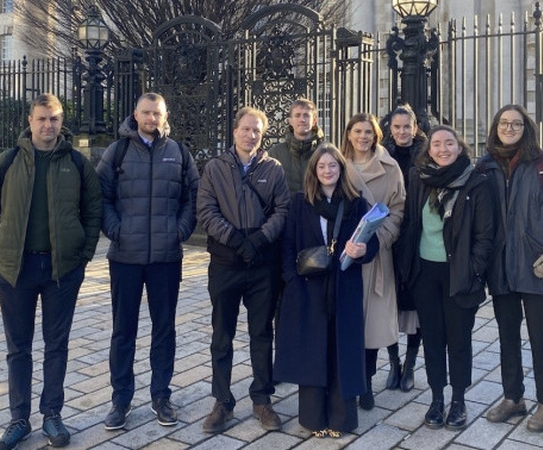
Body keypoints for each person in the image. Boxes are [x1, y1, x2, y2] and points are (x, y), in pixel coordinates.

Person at [0, 93, 103, 449]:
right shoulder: (8, 162)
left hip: (61, 270)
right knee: (18, 348)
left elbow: (94, 211)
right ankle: (18, 419)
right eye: (42, 119)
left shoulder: (77, 163)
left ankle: (52, 415)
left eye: (55, 119)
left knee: (56, 345)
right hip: (15, 269)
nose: (48, 125)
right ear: (30, 121)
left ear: (62, 123)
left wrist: (84, 255)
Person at [96, 93, 200, 430]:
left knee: (164, 329)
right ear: (135, 114)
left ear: (165, 115)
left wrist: (180, 230)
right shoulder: (118, 151)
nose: (152, 119)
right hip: (125, 256)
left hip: (165, 258)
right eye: (146, 113)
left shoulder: (179, 153)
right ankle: (121, 399)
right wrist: (116, 229)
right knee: (123, 332)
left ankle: (161, 395)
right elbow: (101, 197)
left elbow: (193, 196)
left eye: (157, 113)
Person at [476, 105, 543, 432]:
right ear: (495, 127)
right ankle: (512, 397)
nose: (509, 127)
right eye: (504, 123)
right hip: (501, 267)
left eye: (516, 123)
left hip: (536, 267)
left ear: (526, 127)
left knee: (540, 337)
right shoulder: (486, 164)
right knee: (506, 335)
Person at [196, 106, 291, 433]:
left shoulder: (273, 168)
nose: (251, 135)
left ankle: (262, 399)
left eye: (257, 131)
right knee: (222, 334)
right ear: (235, 131)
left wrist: (261, 238)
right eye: (246, 129)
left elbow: (282, 209)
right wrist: (235, 239)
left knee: (262, 334)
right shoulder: (215, 168)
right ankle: (222, 400)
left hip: (262, 265)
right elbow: (205, 210)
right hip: (226, 263)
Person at [274, 143, 379, 438]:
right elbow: (287, 245)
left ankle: (341, 419)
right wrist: (292, 280)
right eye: (322, 166)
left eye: (333, 165)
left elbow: (373, 243)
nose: (327, 170)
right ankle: (312, 418)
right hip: (309, 288)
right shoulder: (300, 202)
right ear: (314, 171)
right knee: (313, 352)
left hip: (344, 288)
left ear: (341, 169)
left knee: (341, 352)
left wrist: (362, 250)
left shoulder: (356, 204)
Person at [399, 125, 495, 430]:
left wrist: (473, 270)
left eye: (449, 144)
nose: (442, 149)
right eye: (436, 144)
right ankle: (437, 398)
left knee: (458, 339)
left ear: (459, 147)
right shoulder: (420, 179)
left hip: (459, 274)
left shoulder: (476, 182)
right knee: (433, 338)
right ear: (429, 150)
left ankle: (458, 400)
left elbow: (485, 236)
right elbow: (411, 222)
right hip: (425, 273)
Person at [341, 113, 406, 410]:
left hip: (377, 255)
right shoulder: (338, 164)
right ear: (349, 133)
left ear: (376, 135)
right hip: (345, 254)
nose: (363, 137)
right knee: (348, 322)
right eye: (357, 131)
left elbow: (398, 209)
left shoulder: (390, 168)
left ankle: (366, 383)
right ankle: (347, 381)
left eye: (368, 132)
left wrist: (381, 239)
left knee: (372, 326)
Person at [381, 104, 426, 391]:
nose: (401, 132)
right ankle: (393, 362)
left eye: (406, 127)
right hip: (389, 235)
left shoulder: (425, 153)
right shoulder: (382, 153)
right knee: (388, 303)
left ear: (414, 127)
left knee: (414, 304)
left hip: (417, 235)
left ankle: (410, 363)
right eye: (396, 127)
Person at [269, 97, 326, 193]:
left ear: (314, 121)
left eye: (306, 115)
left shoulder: (325, 151)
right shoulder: (275, 154)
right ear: (290, 121)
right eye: (297, 115)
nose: (302, 119)